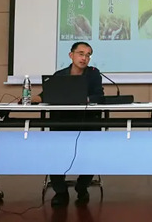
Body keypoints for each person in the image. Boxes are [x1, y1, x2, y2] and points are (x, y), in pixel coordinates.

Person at [46, 41, 104, 207]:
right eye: (81, 54)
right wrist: (32, 98)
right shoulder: (59, 75)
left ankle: (82, 186)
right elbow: (47, 94)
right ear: (71, 55)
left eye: (88, 55)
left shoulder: (93, 74)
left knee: (91, 154)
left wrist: (85, 99)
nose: (84, 58)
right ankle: (60, 192)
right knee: (56, 155)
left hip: (87, 121)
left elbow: (99, 96)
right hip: (62, 122)